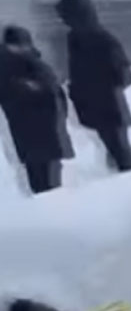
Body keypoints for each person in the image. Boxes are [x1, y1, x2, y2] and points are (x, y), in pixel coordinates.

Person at [55, 0, 131, 172]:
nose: (63, 21)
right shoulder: (75, 39)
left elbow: (124, 75)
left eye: (65, 17)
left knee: (121, 152)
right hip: (94, 104)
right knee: (115, 150)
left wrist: (100, 85)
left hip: (109, 104)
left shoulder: (103, 39)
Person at [0, 26, 74, 194]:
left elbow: (51, 89)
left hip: (40, 127)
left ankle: (48, 201)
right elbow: (43, 91)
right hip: (35, 126)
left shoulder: (28, 62)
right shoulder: (13, 68)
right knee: (44, 174)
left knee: (45, 171)